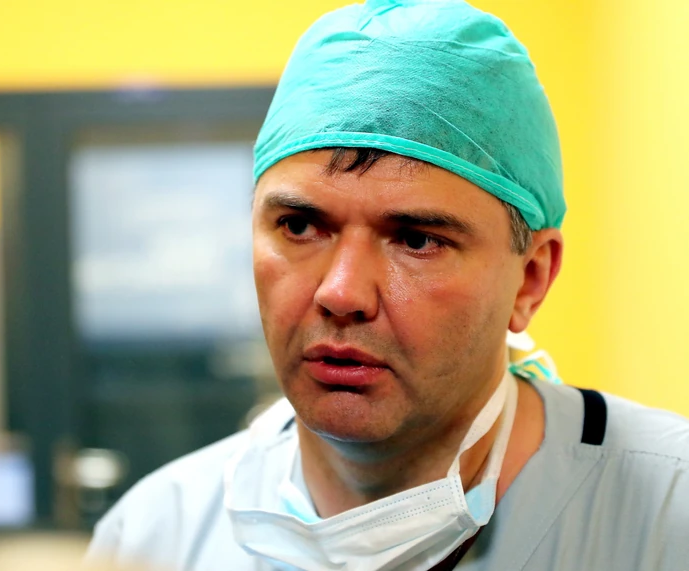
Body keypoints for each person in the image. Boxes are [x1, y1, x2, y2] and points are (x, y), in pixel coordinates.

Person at [87, 1, 689, 569]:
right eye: (299, 226)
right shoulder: (154, 536)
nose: (341, 293)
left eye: (417, 239)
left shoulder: (666, 512)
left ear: (530, 280)